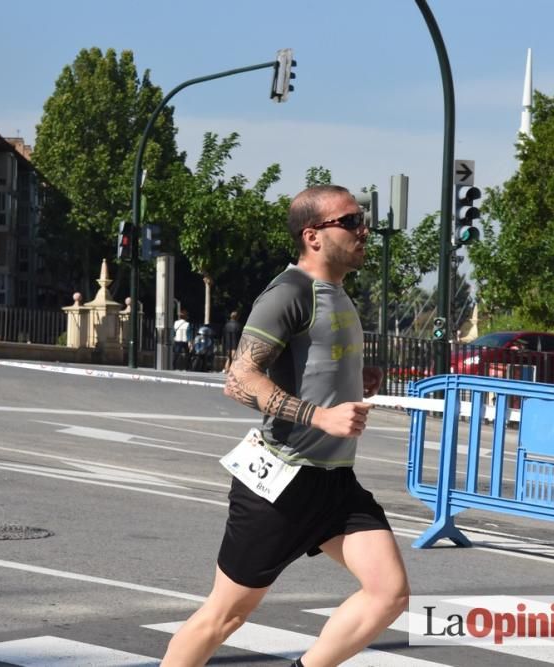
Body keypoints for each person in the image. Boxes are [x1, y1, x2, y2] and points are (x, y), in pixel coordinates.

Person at [162, 185, 408, 666]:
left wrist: (358, 380)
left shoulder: (336, 292)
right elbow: (239, 380)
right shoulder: (289, 293)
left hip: (334, 480)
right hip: (281, 480)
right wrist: (321, 415)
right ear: (313, 236)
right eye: (352, 221)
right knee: (226, 615)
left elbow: (314, 369)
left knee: (389, 593)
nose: (365, 230)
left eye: (364, 220)